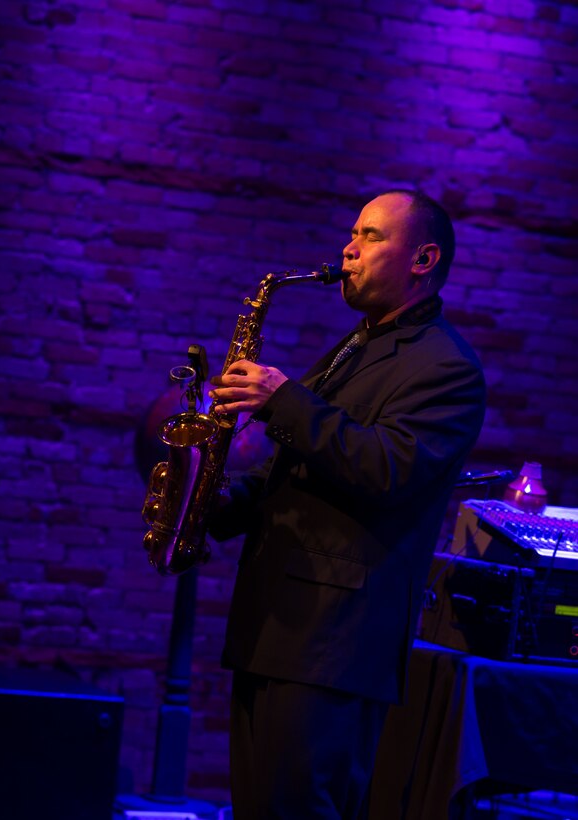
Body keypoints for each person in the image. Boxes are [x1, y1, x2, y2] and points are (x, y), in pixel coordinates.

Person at [208, 189, 486, 819]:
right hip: (278, 628)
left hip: (333, 643)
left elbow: (386, 468)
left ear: (423, 259)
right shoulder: (356, 346)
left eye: (370, 236)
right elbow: (301, 471)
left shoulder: (447, 367)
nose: (348, 248)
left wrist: (282, 399)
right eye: (352, 233)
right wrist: (210, 503)